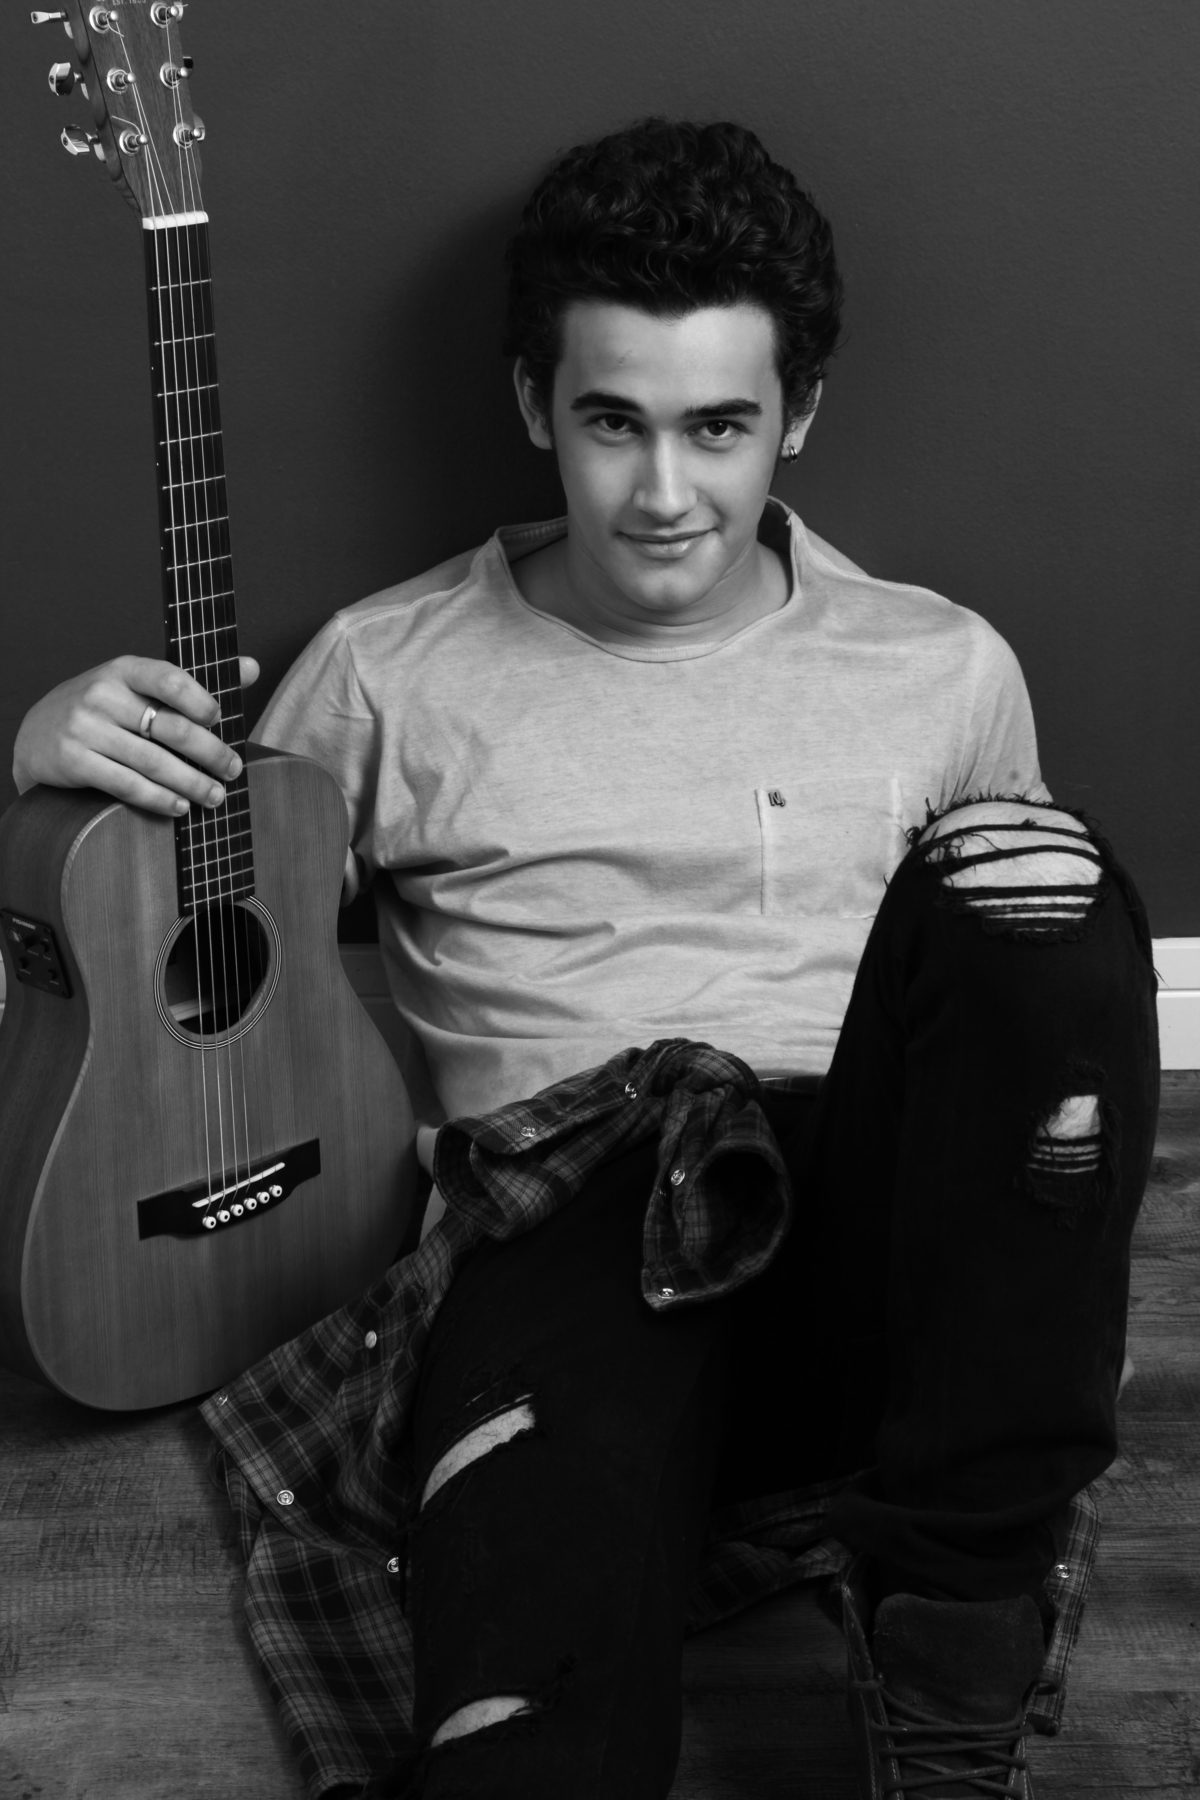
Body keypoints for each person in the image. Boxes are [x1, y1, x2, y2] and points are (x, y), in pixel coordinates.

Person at [13, 119, 1158, 1800]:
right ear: (535, 405)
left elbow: (1017, 1040)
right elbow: (183, 959)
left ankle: (956, 1651)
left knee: (1039, 889)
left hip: (864, 1249)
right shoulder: (386, 672)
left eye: (719, 427)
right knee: (524, 1713)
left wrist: (1032, 1254)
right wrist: (48, 759)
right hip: (571, 1248)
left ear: (798, 416)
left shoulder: (945, 667)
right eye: (615, 423)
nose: (665, 494)